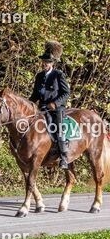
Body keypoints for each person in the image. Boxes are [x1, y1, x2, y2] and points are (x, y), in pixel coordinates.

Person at [29, 41, 71, 169]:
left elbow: (66, 93)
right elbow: (35, 94)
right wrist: (28, 104)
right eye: (43, 62)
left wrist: (55, 103)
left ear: (52, 63)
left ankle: (64, 157)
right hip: (42, 108)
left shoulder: (58, 75)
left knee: (58, 127)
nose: (44, 64)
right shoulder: (39, 76)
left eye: (47, 62)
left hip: (56, 109)